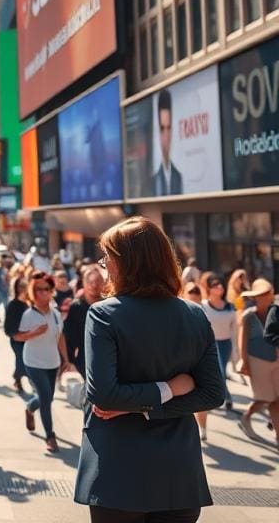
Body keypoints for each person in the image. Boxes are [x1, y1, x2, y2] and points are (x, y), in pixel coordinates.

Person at [75, 217, 225, 522]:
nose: (105, 266)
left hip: (117, 471)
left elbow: (104, 395)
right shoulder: (195, 315)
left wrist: (140, 406)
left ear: (127, 263)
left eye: (108, 259)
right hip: (178, 472)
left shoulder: (104, 314)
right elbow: (212, 393)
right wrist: (169, 389)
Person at [15, 272, 69, 452]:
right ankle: (50, 436)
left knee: (47, 397)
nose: (44, 292)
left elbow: (60, 337)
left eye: (47, 289)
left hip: (52, 362)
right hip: (33, 362)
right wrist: (34, 333)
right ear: (33, 292)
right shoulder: (28, 314)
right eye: (39, 289)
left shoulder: (55, 314)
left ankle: (30, 408)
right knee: (46, 398)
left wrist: (65, 359)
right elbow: (19, 337)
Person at [236, 279, 279, 447]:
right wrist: (243, 360)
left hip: (276, 361)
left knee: (276, 399)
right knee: (265, 398)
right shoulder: (249, 315)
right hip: (257, 360)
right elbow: (242, 339)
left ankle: (277, 435)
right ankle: (246, 415)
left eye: (266, 295)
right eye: (260, 296)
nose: (263, 298)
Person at [199, 274, 236, 418]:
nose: (219, 287)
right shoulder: (203, 306)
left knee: (222, 371)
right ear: (209, 289)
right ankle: (226, 397)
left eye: (221, 285)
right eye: (215, 285)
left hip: (226, 343)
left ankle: (223, 397)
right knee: (219, 372)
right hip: (211, 343)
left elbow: (234, 328)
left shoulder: (230, 306)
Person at [63, 265, 105, 380]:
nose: (94, 285)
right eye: (90, 282)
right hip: (84, 361)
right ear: (84, 283)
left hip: (108, 360)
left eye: (98, 281)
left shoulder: (109, 306)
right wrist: (69, 361)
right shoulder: (76, 307)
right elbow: (70, 338)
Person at [152, 89, 183, 196]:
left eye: (168, 128)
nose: (166, 136)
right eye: (162, 129)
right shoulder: (153, 181)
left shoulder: (178, 177)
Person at [4, 277, 30, 393]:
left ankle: (17, 377)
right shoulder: (13, 305)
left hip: (30, 338)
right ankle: (18, 379)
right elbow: (8, 326)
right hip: (17, 340)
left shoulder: (29, 304)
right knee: (21, 361)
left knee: (25, 362)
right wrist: (15, 334)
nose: (23, 289)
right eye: (21, 287)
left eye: (25, 286)